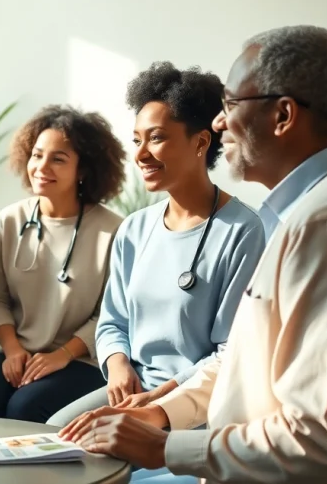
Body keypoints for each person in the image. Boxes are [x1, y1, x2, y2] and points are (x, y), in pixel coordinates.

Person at [61, 26, 327, 484]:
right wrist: (163, 415)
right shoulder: (323, 210)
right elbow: (243, 361)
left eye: (230, 105)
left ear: (284, 115)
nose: (216, 123)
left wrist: (164, 447)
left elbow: (320, 443)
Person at [46, 63, 266, 434]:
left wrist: (165, 396)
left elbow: (233, 350)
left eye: (157, 138)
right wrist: (117, 365)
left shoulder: (243, 231)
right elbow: (113, 321)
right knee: (55, 433)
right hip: (132, 390)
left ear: (200, 142)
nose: (141, 154)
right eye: (137, 140)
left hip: (193, 405)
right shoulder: (135, 229)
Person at [0, 105, 127, 423]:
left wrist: (61, 356)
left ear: (83, 170)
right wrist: (11, 349)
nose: (41, 167)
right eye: (37, 155)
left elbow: (108, 315)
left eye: (58, 159)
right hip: (16, 350)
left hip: (81, 358)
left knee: (26, 407)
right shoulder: (10, 220)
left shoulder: (113, 230)